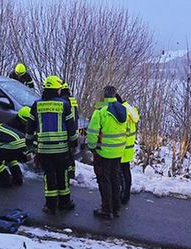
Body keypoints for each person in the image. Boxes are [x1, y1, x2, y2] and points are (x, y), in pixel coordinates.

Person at [30, 76, 77, 212]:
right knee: (62, 175)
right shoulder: (64, 104)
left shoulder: (37, 104)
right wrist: (73, 142)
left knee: (49, 175)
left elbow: (30, 126)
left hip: (44, 149)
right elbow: (71, 125)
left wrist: (29, 142)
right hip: (61, 148)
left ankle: (51, 206)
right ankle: (65, 203)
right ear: (56, 89)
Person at [86, 87, 132, 218]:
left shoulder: (101, 111)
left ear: (104, 96)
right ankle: (116, 208)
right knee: (115, 178)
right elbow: (127, 131)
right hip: (118, 151)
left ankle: (107, 210)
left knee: (105, 180)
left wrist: (92, 147)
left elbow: (92, 132)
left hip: (104, 152)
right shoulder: (123, 109)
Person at [118, 95, 140, 206]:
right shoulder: (130, 110)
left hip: (122, 148)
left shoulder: (122, 112)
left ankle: (123, 196)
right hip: (129, 149)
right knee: (126, 173)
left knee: (122, 174)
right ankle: (126, 195)